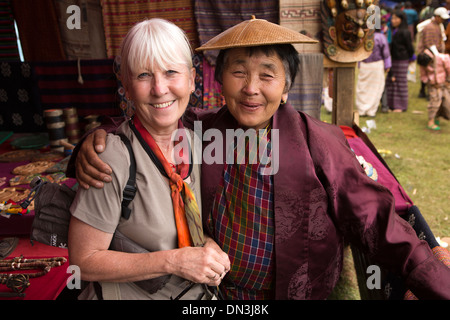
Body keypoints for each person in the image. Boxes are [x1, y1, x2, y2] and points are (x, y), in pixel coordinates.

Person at [69, 17, 450, 299]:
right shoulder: (206, 128)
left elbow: (378, 221)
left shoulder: (319, 141)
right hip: (220, 296)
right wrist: (97, 136)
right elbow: (153, 115)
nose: (251, 89)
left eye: (267, 75)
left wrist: (438, 285)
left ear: (286, 87)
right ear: (219, 82)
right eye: (238, 72)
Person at [68, 18, 230, 300]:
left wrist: (208, 245)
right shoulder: (111, 156)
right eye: (143, 75)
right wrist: (173, 261)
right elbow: (82, 261)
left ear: (192, 80)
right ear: (127, 87)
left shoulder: (201, 143)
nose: (159, 89)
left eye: (171, 72)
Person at [355, 28, 391, 117]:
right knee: (375, 88)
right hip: (375, 66)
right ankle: (370, 111)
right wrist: (387, 65)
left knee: (364, 87)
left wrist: (359, 63)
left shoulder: (363, 37)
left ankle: (363, 110)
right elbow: (386, 53)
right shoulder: (380, 37)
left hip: (367, 65)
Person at [386, 10, 415, 112]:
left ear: (401, 20)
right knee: (391, 82)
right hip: (392, 59)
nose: (393, 21)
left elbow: (410, 47)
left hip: (402, 60)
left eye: (395, 18)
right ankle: (391, 104)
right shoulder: (391, 31)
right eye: (392, 18)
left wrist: (411, 57)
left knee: (400, 83)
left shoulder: (405, 32)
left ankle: (400, 106)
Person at [417, 7, 449, 98]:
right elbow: (429, 43)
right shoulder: (430, 27)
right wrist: (436, 54)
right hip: (429, 54)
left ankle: (423, 91)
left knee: (428, 74)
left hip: (433, 53)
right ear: (437, 16)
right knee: (429, 74)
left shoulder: (438, 25)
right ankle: (426, 92)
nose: (443, 20)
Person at [418, 46, 450, 131]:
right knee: (434, 102)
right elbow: (423, 76)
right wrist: (430, 82)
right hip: (433, 86)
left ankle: (437, 117)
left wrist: (447, 81)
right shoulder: (423, 61)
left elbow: (449, 70)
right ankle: (431, 122)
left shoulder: (442, 58)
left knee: (446, 103)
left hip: (444, 84)